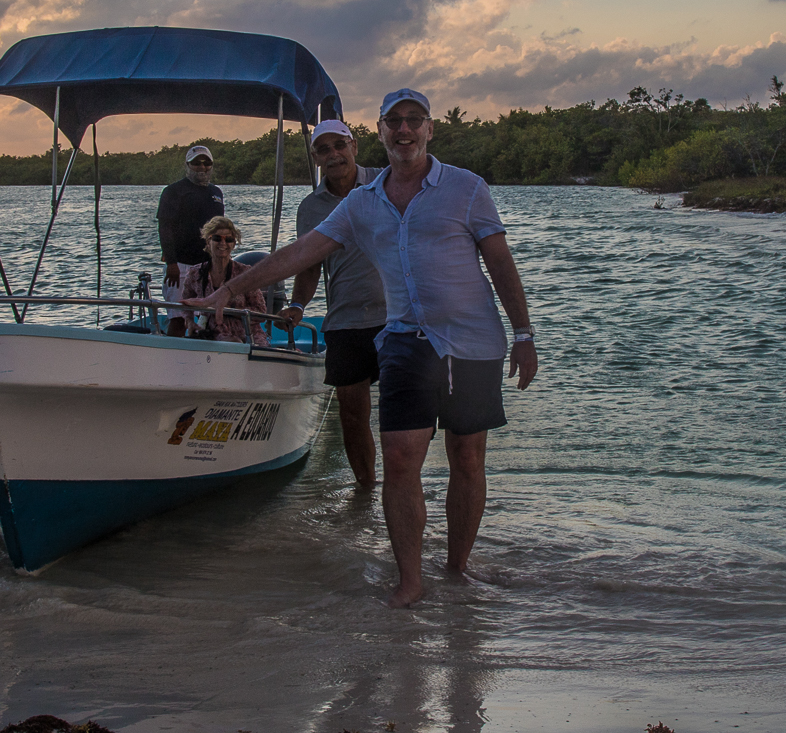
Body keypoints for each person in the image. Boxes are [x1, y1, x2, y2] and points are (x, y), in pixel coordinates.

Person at [199, 88, 536, 607]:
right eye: (394, 122)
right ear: (380, 132)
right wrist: (229, 289)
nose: (404, 130)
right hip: (403, 340)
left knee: (467, 458)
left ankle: (458, 568)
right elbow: (299, 255)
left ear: (429, 129)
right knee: (401, 458)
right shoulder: (362, 203)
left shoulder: (466, 188)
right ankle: (410, 581)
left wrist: (524, 333)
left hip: (472, 342)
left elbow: (500, 262)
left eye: (414, 121)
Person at [281, 119, 384, 488]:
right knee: (353, 417)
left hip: (401, 319)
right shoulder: (311, 208)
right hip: (346, 322)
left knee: (408, 415)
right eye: (324, 149)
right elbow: (308, 267)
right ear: (315, 158)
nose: (334, 154)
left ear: (354, 145)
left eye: (339, 145)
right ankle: (367, 492)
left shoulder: (387, 182)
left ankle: (405, 490)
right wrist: (296, 304)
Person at [171, 215, 272, 345]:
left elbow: (260, 312)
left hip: (249, 332)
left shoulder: (244, 273)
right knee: (231, 344)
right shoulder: (195, 273)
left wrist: (227, 307)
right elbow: (185, 304)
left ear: (234, 244)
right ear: (208, 242)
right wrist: (189, 322)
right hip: (213, 333)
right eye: (217, 238)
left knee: (261, 350)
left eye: (229, 239)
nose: (223, 243)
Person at [157, 144, 225, 288]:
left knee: (206, 310)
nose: (202, 167)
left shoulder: (217, 192)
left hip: (209, 265)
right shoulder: (173, 191)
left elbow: (221, 229)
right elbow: (165, 228)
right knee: (178, 310)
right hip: (181, 265)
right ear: (187, 165)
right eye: (196, 163)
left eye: (207, 163)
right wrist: (171, 263)